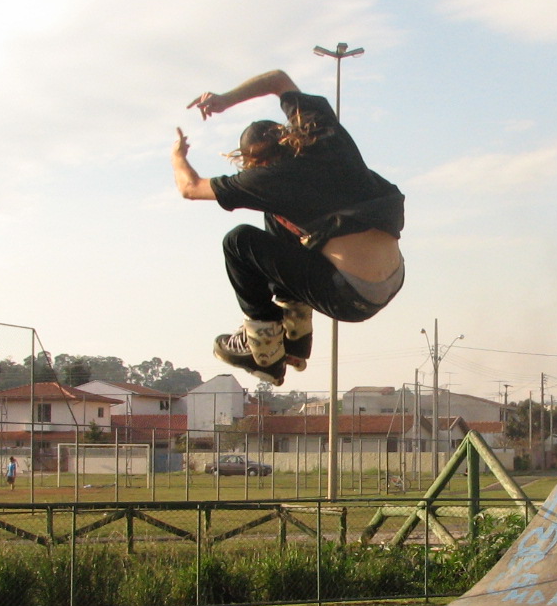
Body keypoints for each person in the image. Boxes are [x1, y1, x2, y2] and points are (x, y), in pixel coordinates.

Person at [173, 69, 405, 385]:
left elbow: (190, 187)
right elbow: (278, 79)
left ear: (252, 162)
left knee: (238, 242)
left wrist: (178, 157)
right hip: (393, 277)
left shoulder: (264, 178)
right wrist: (225, 100)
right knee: (276, 216)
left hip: (349, 294)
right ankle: (296, 339)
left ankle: (264, 350)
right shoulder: (321, 129)